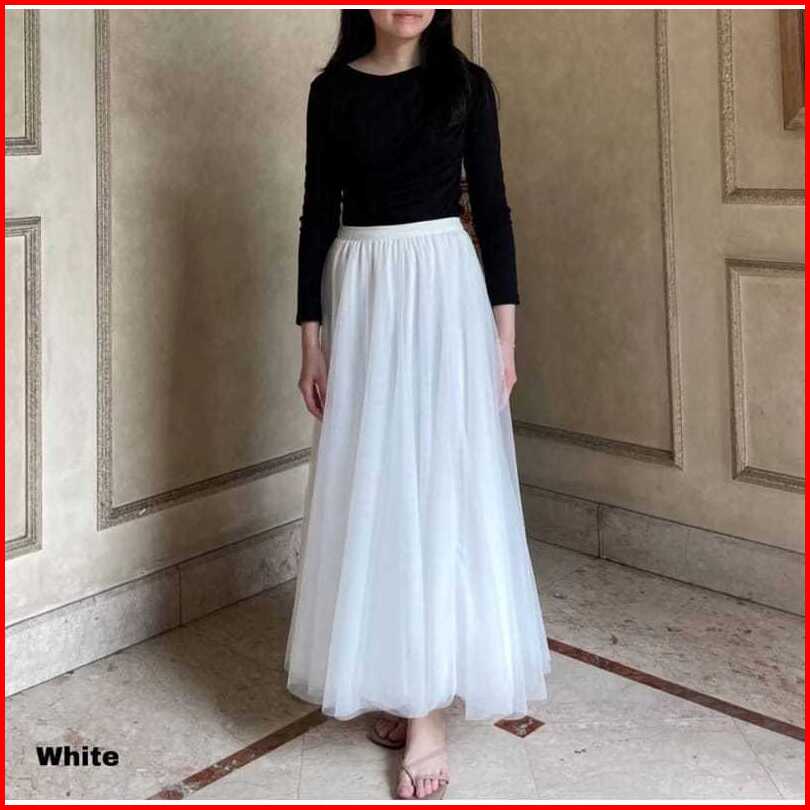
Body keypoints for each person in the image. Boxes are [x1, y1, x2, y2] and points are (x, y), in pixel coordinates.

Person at [283, 8, 551, 801]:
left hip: (444, 292)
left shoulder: (468, 85)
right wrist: (310, 341)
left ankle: (427, 710)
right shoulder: (332, 91)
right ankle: (401, 675)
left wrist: (504, 340)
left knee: (437, 486)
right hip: (364, 292)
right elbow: (316, 213)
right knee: (381, 490)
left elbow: (493, 210)